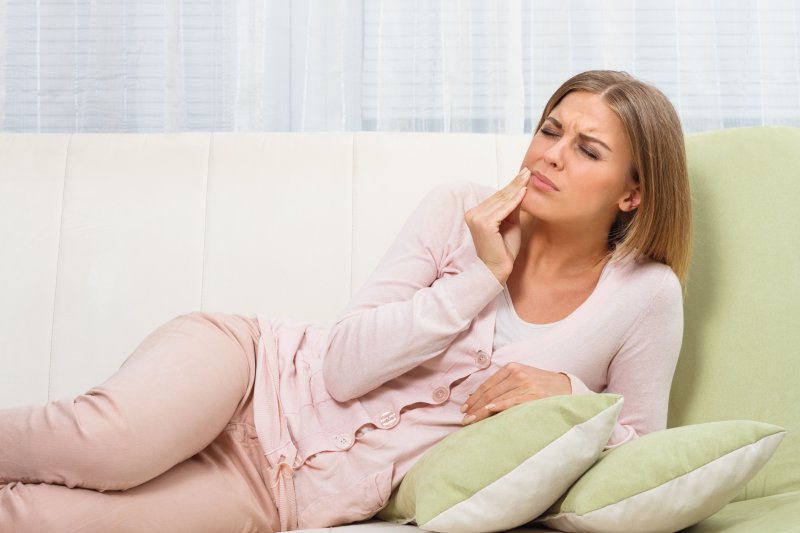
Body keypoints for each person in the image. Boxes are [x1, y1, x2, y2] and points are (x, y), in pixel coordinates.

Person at [0, 70, 691, 532]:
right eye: (550, 130)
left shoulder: (645, 296)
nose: (551, 155)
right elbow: (341, 367)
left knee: (41, 518)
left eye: (588, 149)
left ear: (631, 193)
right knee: (109, 446)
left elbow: (642, 455)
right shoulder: (458, 207)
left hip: (280, 491)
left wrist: (565, 390)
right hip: (248, 373)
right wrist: (478, 276)